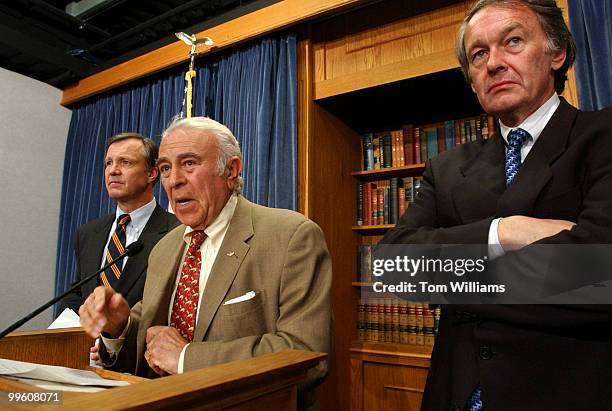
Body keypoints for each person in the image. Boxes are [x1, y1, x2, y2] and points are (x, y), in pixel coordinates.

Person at [380, 0, 612, 410]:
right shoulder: (447, 166)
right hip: (456, 392)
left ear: (557, 53)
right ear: (471, 79)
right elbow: (393, 268)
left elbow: (601, 274)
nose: (494, 63)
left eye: (514, 41)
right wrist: (502, 233)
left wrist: (447, 281)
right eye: (479, 54)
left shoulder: (601, 137)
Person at [79, 117, 332, 408]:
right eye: (165, 168)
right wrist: (119, 326)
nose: (174, 180)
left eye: (189, 163)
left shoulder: (291, 237)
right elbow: (147, 350)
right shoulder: (164, 248)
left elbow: (306, 356)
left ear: (231, 170)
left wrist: (187, 358)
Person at [59, 133, 179, 313]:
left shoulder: (177, 231)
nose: (113, 170)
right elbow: (79, 294)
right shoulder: (88, 233)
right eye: (108, 163)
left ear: (152, 173)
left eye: (125, 162)